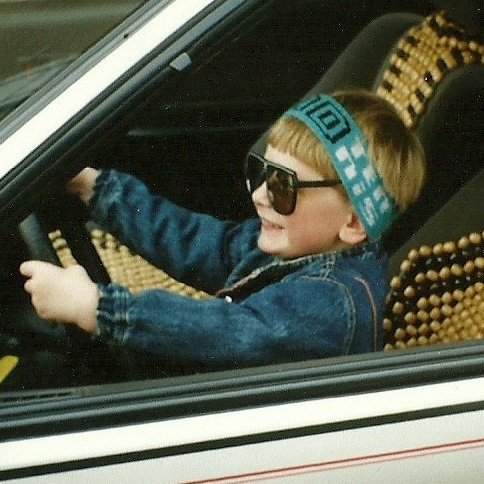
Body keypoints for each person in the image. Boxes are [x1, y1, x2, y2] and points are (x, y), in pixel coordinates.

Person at [20, 90, 426, 371]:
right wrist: (94, 187)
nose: (260, 195)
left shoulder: (336, 301)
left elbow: (231, 331)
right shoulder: (293, 246)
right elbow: (195, 243)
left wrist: (97, 308)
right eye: (261, 173)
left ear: (352, 223)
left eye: (284, 186)